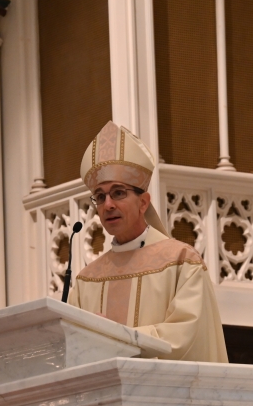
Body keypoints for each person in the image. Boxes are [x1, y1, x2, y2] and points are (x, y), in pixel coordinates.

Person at [67, 121, 228, 363]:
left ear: (143, 203)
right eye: (100, 197)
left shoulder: (181, 262)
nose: (108, 204)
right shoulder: (86, 280)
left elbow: (186, 338)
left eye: (118, 192)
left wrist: (118, 338)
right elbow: (71, 348)